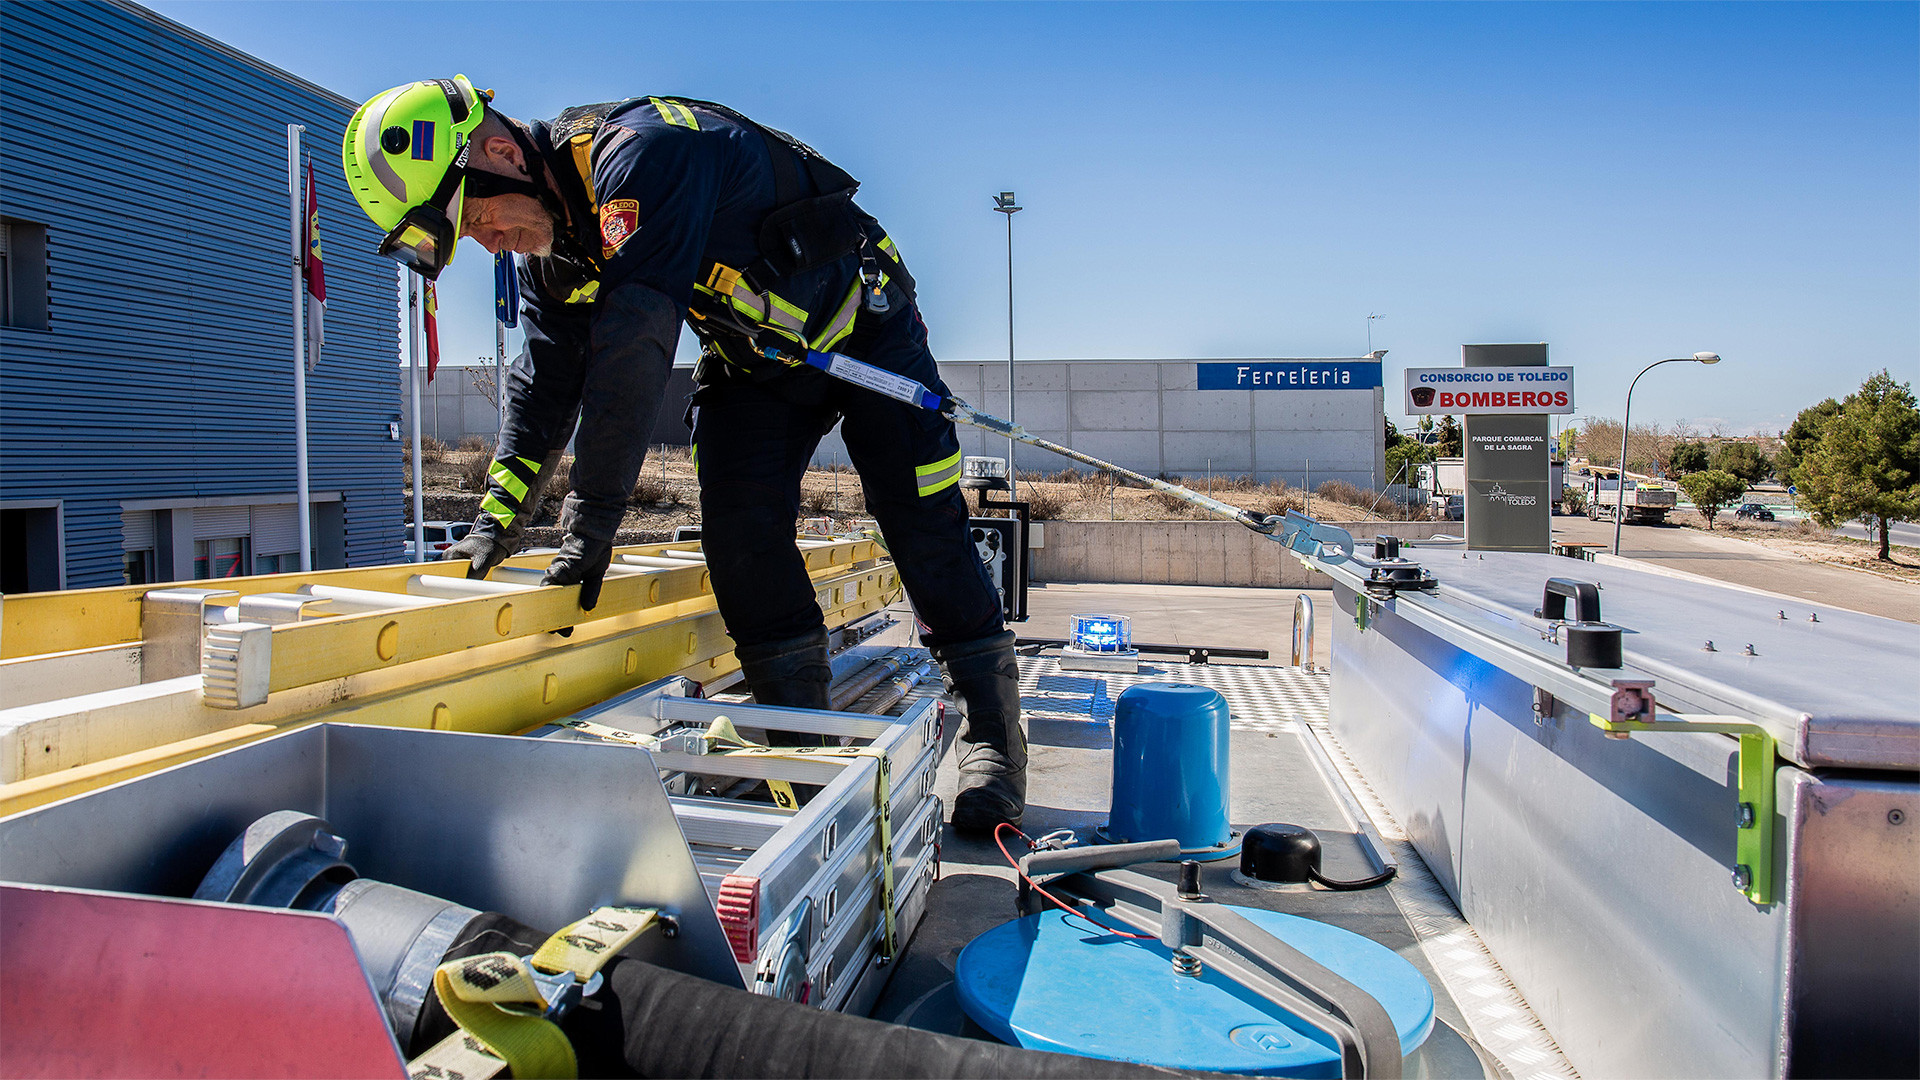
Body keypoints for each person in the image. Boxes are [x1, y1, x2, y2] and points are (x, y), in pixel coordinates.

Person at [342, 77, 1025, 829]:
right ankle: (805, 748)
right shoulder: (556, 253)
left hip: (865, 324)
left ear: (501, 154)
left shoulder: (642, 155)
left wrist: (595, 513)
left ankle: (995, 738)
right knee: (740, 532)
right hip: (757, 359)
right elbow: (543, 385)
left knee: (920, 519)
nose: (485, 242)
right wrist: (496, 519)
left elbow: (634, 345)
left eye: (475, 218)